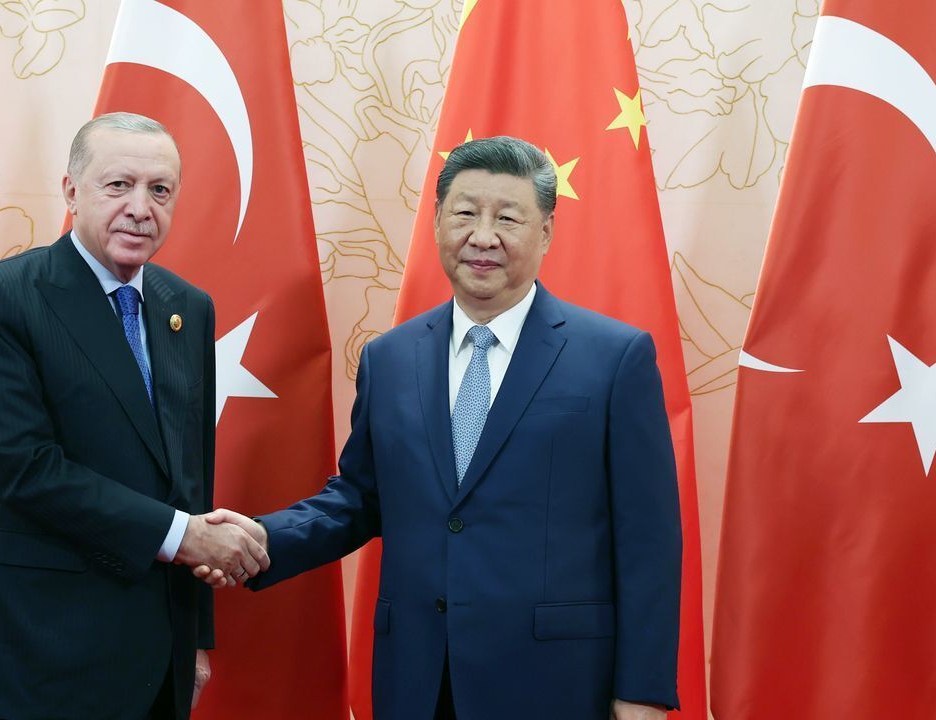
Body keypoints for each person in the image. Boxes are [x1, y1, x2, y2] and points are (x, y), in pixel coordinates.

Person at [201, 136, 683, 720]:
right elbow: (360, 498)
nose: (483, 236)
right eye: (465, 213)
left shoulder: (614, 358)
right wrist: (261, 539)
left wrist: (643, 690)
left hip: (556, 680)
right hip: (419, 677)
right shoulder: (390, 357)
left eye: (508, 218)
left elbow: (648, 538)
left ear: (547, 231)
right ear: (436, 222)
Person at [0, 113, 269, 720]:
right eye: (119, 185)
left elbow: (189, 480)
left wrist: (194, 637)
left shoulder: (187, 308)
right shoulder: (2, 295)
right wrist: (184, 537)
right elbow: (24, 469)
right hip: (29, 653)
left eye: (160, 190)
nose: (141, 208)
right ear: (71, 191)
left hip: (152, 658)